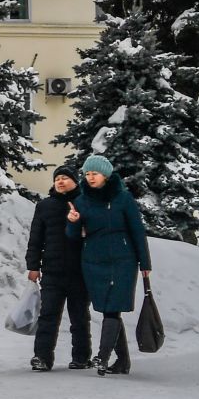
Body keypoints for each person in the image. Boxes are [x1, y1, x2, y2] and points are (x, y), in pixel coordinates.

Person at [65, 154, 152, 378]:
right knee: (107, 307)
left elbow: (137, 230)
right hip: (94, 261)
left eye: (95, 173)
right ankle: (122, 361)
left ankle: (102, 357)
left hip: (123, 260)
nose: (91, 177)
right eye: (87, 174)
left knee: (112, 308)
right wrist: (73, 222)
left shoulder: (123, 198)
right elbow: (74, 236)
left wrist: (145, 261)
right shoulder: (82, 201)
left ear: (106, 174)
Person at [25, 164, 93, 371]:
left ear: (75, 181)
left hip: (80, 270)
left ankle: (81, 357)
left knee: (79, 316)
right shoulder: (45, 206)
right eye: (57, 179)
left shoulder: (85, 203)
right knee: (48, 316)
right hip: (53, 271)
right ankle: (42, 357)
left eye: (65, 177)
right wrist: (33, 265)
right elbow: (35, 238)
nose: (60, 181)